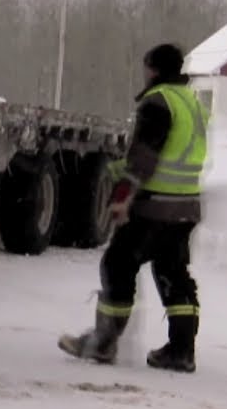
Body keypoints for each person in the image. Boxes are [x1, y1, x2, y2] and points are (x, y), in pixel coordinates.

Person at [57, 42, 208, 372]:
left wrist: (122, 195)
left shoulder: (158, 102)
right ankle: (182, 351)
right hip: (186, 207)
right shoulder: (191, 102)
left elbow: (144, 157)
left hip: (155, 206)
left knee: (117, 265)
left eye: (146, 68)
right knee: (174, 273)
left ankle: (103, 343)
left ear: (154, 69)